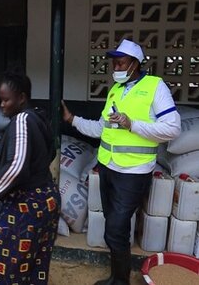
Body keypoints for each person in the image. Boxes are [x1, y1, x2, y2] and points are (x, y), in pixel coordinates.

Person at [62, 39, 181, 285]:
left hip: (134, 172)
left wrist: (132, 124)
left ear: (135, 64)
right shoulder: (115, 90)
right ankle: (117, 277)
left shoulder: (154, 87)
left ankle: (120, 281)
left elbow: (173, 128)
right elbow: (101, 129)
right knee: (114, 227)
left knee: (115, 229)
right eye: (114, 62)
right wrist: (72, 119)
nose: (115, 66)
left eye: (121, 62)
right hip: (108, 168)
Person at [0, 71, 61, 285]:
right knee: (35, 263)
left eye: (6, 100)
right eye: (1, 100)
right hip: (46, 200)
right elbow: (49, 154)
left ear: (21, 98)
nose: (2, 105)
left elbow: (17, 166)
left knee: (3, 263)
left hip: (27, 205)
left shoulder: (22, 120)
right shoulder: (40, 117)